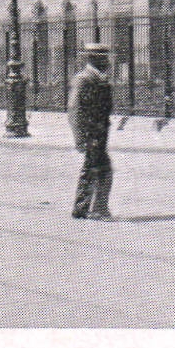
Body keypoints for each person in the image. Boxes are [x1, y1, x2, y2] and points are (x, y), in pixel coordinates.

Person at [68, 43, 116, 220]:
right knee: (98, 169)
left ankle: (85, 208)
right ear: (94, 59)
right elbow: (74, 109)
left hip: (100, 132)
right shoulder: (83, 79)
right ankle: (93, 208)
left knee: (94, 168)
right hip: (90, 133)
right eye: (103, 58)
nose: (107, 62)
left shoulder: (99, 78)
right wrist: (79, 138)